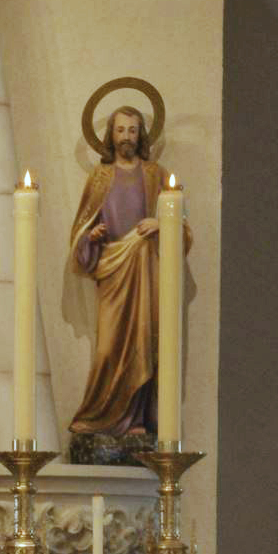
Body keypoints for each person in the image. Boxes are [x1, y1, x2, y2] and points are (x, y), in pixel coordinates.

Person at [65, 103, 179, 440]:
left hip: (146, 271)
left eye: (132, 130)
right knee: (108, 349)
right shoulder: (100, 177)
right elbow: (81, 231)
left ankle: (138, 422)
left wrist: (161, 223)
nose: (126, 137)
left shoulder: (156, 175)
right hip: (113, 270)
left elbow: (180, 226)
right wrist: (92, 237)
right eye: (120, 130)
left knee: (144, 343)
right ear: (110, 136)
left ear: (141, 134)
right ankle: (99, 417)